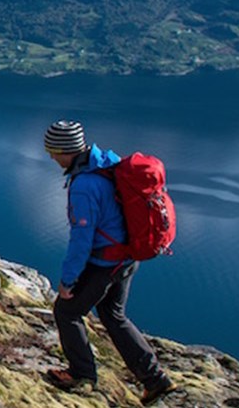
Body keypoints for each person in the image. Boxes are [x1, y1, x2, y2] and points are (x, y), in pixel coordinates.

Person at [42, 120, 176, 405]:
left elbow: (81, 239)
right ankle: (155, 380)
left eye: (53, 151)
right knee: (113, 315)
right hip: (127, 258)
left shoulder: (84, 185)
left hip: (106, 262)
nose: (52, 158)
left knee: (66, 312)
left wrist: (68, 281)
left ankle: (82, 375)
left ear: (66, 150)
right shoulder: (106, 163)